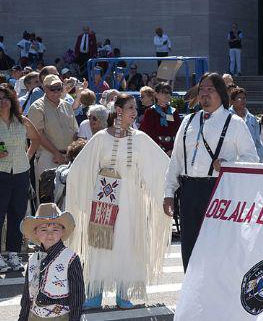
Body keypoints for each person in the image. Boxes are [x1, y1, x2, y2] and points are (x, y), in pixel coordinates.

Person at [66, 93, 172, 310]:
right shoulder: (100, 138)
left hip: (131, 201)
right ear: (119, 110)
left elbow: (163, 165)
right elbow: (79, 168)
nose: (135, 112)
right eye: (131, 107)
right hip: (105, 198)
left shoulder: (140, 139)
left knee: (127, 243)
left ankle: (123, 294)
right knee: (101, 244)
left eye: (136, 108)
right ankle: (95, 292)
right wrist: (90, 191)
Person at [163, 72, 259, 272]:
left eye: (210, 89)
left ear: (221, 94)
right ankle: (191, 293)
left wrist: (228, 165)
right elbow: (176, 160)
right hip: (189, 190)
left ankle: (216, 295)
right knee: (189, 245)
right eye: (201, 90)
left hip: (218, 191)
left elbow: (252, 160)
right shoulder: (188, 121)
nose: (204, 94)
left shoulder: (235, 123)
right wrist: (169, 193)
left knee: (217, 248)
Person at [0, 85, 50, 272]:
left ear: (12, 100)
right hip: (1, 173)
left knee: (17, 214)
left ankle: (13, 254)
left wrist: (27, 157)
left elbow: (36, 139)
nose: (2, 101)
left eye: (5, 97)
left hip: (20, 172)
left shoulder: (21, 120)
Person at [18, 203, 84, 321]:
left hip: (60, 317)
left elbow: (77, 296)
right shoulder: (32, 260)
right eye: (44, 229)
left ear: (62, 231)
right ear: (36, 233)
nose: (50, 234)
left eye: (55, 229)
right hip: (33, 316)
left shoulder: (71, 259)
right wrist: (22, 318)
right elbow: (26, 296)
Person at [27, 75, 77, 201]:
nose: (56, 92)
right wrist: (56, 153)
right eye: (52, 89)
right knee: (47, 198)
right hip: (47, 156)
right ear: (44, 88)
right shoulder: (37, 107)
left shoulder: (67, 105)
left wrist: (71, 154)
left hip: (67, 157)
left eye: (58, 88)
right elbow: (38, 135)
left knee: (67, 198)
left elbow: (75, 132)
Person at [139, 82, 182, 155]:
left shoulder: (174, 112)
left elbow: (179, 131)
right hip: (156, 150)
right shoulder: (150, 111)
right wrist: (161, 149)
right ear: (156, 94)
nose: (167, 95)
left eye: (169, 93)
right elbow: (148, 133)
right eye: (164, 92)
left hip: (173, 151)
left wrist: (174, 149)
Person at [229, 87, 261, 157]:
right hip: (231, 159)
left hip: (250, 159)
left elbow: (258, 142)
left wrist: (259, 159)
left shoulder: (252, 119)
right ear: (232, 101)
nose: (243, 100)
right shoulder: (226, 117)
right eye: (239, 98)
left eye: (244, 98)